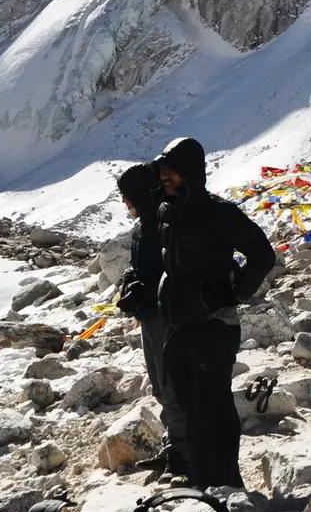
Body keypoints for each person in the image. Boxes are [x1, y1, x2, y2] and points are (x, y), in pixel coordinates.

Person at [152, 137, 276, 488]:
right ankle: (200, 480)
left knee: (214, 407)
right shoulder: (166, 212)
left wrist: (232, 294)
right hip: (178, 325)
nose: (164, 176)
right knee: (189, 407)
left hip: (213, 326)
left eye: (171, 170)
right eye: (162, 170)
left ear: (190, 172)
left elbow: (263, 255)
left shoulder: (219, 213)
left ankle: (226, 483)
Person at [113, 162, 185, 475]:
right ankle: (173, 447)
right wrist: (130, 281)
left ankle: (184, 456)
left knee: (173, 386)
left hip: (167, 317)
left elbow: (174, 271)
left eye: (128, 195)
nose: (125, 202)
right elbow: (139, 265)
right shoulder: (143, 227)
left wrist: (146, 289)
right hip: (149, 316)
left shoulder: (166, 224)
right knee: (159, 385)